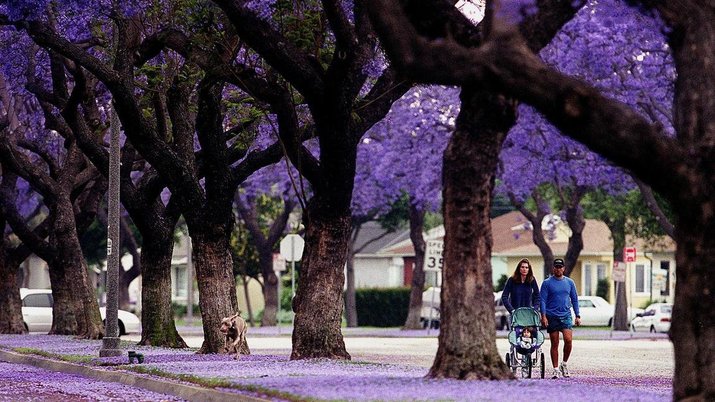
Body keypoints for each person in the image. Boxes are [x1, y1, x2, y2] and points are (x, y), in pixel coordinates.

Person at [540, 258, 581, 379]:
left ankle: (564, 363)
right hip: (551, 315)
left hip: (566, 315)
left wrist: (577, 315)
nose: (558, 269)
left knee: (568, 340)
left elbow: (574, 299)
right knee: (555, 343)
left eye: (560, 267)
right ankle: (555, 369)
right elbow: (542, 300)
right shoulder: (547, 283)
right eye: (556, 267)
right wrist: (543, 316)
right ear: (553, 268)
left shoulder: (569, 282)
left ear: (564, 268)